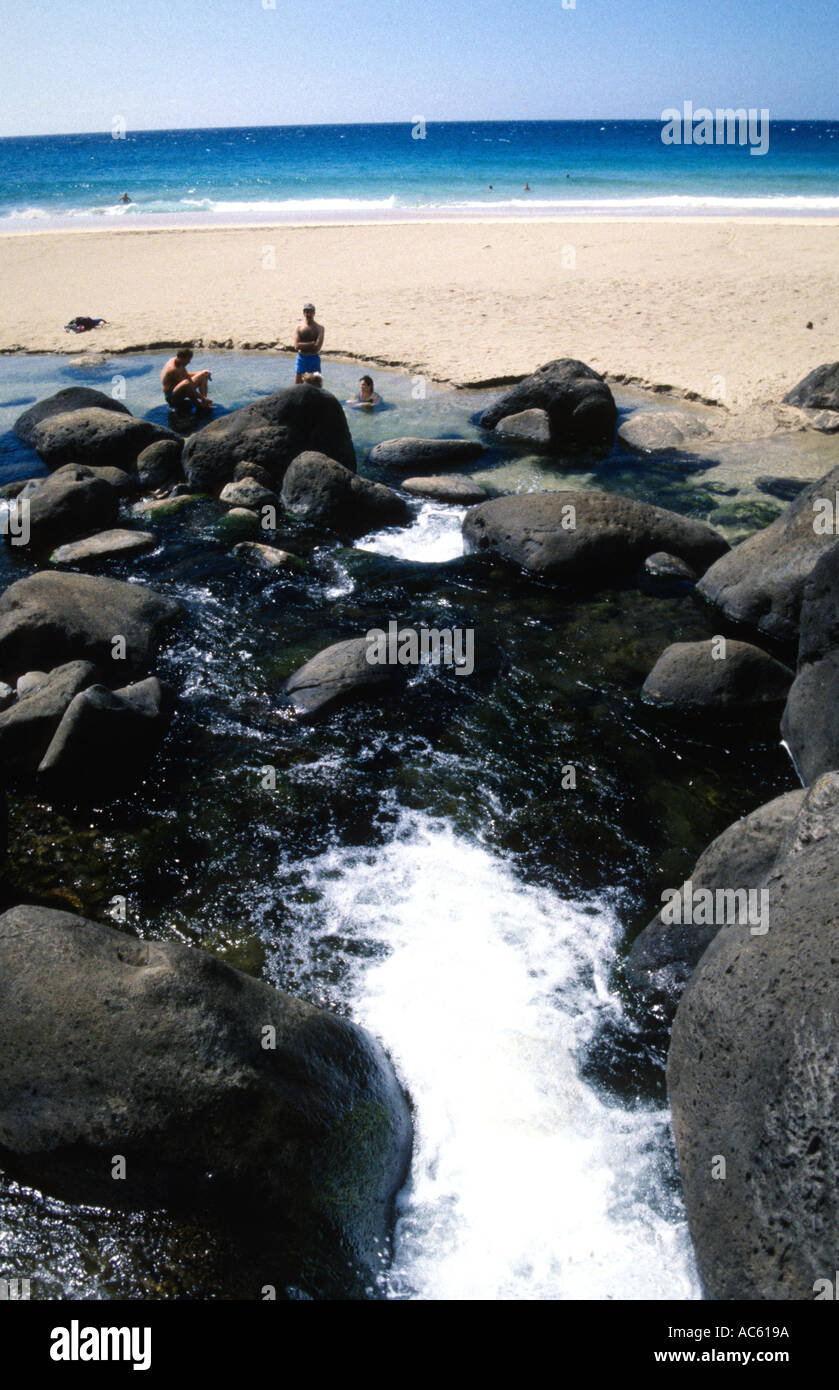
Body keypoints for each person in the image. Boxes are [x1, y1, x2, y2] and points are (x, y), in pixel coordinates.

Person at [294, 303, 324, 383]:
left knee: (315, 384)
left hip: (313, 358)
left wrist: (303, 345)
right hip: (301, 358)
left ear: (314, 313)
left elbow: (317, 347)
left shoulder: (319, 328)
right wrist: (312, 343)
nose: (308, 314)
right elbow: (296, 346)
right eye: (306, 312)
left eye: (310, 312)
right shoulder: (299, 328)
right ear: (303, 313)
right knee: (298, 384)